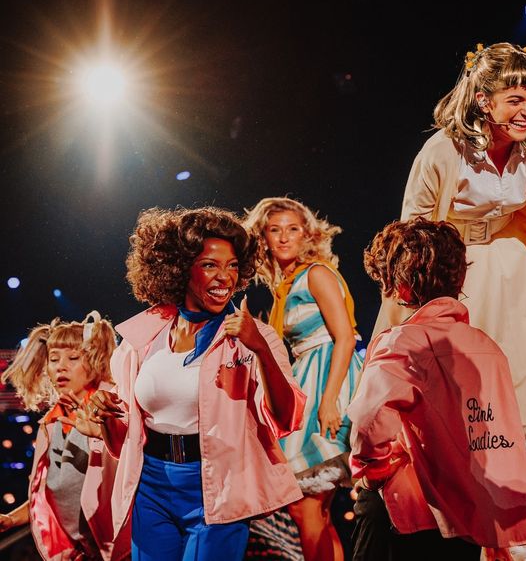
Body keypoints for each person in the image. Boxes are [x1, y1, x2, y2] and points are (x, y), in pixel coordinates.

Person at [379, 42, 526, 506]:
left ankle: (521, 504)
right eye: (516, 100)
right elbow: (414, 234)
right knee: (460, 389)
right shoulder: (443, 150)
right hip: (454, 270)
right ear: (484, 101)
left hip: (516, 263)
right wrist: (417, 305)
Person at [88, 207, 305, 561]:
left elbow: (285, 418)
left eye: (232, 265)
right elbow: (127, 423)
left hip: (217, 486)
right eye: (209, 265)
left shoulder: (254, 336)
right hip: (151, 486)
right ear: (180, 269)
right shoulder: (145, 335)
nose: (225, 277)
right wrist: (104, 410)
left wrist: (261, 350)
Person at [351, 219, 526, 560]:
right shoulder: (487, 347)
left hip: (408, 514)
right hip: (468, 519)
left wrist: (371, 475)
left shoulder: (403, 341)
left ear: (400, 288)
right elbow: (499, 439)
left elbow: (370, 419)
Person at [243, 196, 363, 561]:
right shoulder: (287, 286)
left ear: (307, 235)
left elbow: (345, 336)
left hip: (328, 381)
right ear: (263, 237)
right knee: (315, 509)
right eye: (274, 230)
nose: (283, 238)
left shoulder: (316, 274)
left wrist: (329, 402)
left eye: (292, 229)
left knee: (305, 506)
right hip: (309, 380)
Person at [0, 312, 129, 560]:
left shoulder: (113, 409)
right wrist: (11, 519)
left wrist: (105, 432)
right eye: (54, 359)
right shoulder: (50, 424)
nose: (61, 366)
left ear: (94, 360)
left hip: (123, 551)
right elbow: (50, 495)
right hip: (81, 553)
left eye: (73, 357)